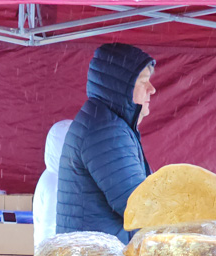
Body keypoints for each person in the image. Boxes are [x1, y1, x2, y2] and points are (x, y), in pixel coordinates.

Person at [56, 43, 156, 242]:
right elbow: (139, 208)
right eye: (143, 81)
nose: (152, 89)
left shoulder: (105, 122)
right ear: (122, 86)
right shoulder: (107, 131)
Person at [33, 119, 72, 246]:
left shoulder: (51, 176)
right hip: (53, 255)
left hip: (53, 253)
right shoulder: (56, 183)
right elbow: (49, 226)